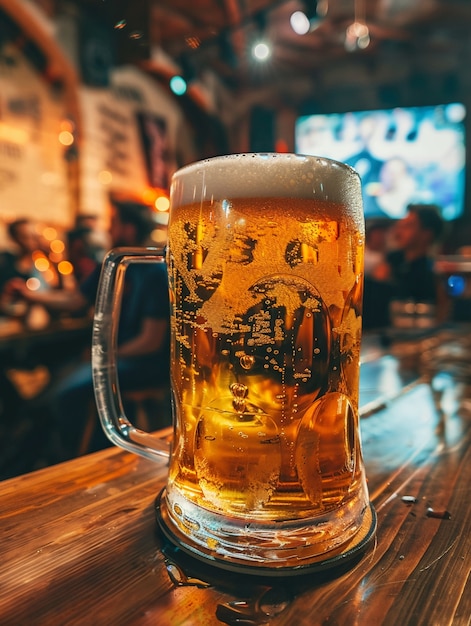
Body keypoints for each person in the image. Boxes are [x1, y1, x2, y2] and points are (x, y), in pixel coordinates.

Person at [9, 198, 170, 460]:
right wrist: (31, 296)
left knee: (67, 392)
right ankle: (58, 447)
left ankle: (74, 458)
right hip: (119, 355)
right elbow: (74, 300)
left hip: (145, 363)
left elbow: (150, 342)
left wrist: (102, 356)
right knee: (58, 379)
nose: (107, 230)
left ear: (128, 228)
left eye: (113, 223)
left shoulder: (153, 270)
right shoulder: (112, 263)